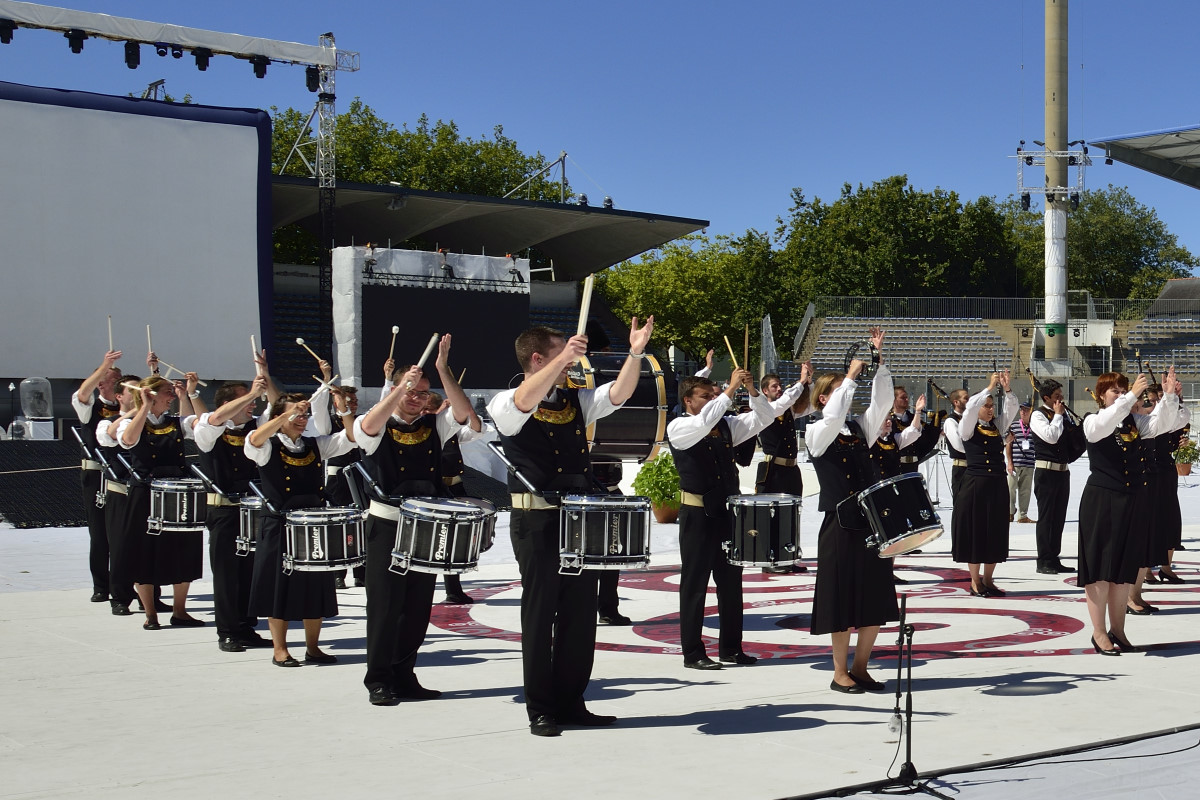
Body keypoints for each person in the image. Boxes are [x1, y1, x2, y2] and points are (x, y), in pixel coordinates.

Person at [487, 318, 652, 737]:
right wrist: (565, 354)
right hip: (537, 521)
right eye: (562, 354)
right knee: (541, 616)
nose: (572, 361)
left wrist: (634, 353)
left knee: (580, 617)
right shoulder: (506, 401)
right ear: (539, 357)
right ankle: (541, 708)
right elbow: (525, 401)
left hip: (579, 521)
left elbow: (620, 393)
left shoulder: (575, 401)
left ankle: (572, 701)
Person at [354, 336, 474, 706]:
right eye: (412, 391)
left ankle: (404, 676)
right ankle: (378, 679)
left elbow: (463, 411)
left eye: (423, 393)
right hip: (387, 526)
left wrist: (442, 370)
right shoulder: (373, 424)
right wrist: (396, 389)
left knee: (417, 608)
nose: (417, 397)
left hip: (425, 526)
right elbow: (370, 425)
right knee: (385, 607)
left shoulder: (433, 427)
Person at [805, 326, 897, 694]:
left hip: (870, 524)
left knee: (874, 597)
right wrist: (850, 379)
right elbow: (832, 417)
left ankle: (861, 667)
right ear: (824, 397)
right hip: (840, 525)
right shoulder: (816, 431)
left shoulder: (858, 428)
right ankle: (839, 670)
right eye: (837, 390)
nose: (845, 393)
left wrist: (878, 363)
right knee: (840, 599)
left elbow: (882, 404)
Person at [668, 366, 773, 671]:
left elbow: (762, 419)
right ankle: (693, 651)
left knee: (731, 583)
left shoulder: (725, 426)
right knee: (695, 584)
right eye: (705, 395)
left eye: (714, 394)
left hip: (726, 513)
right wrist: (728, 392)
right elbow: (704, 423)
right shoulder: (679, 426)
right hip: (697, 514)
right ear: (688, 400)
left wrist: (753, 392)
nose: (713, 399)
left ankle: (731, 647)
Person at [245, 385, 354, 666]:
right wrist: (284, 416)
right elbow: (254, 440)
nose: (301, 419)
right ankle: (280, 649)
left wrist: (342, 409)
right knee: (279, 585)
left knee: (314, 584)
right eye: (295, 414)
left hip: (312, 524)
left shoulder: (315, 444)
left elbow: (351, 438)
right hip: (280, 523)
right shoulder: (268, 444)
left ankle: (313, 647)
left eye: (303, 414)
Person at [1078, 369, 1179, 654]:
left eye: (1124, 390)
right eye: (1115, 391)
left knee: (1122, 569)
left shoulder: (1132, 422)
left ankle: (1118, 630)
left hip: (1129, 500)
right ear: (1100, 396)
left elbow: (1162, 424)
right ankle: (1099, 633)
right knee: (1099, 569)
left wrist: (1169, 396)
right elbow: (1104, 425)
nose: (1121, 395)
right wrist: (1132, 395)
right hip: (1101, 500)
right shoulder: (1094, 420)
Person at [193, 367, 276, 652]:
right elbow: (215, 419)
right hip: (225, 511)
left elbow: (278, 410)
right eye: (246, 401)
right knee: (227, 575)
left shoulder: (255, 427)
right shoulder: (207, 429)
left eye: (252, 401)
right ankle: (227, 631)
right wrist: (253, 391)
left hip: (253, 510)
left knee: (249, 573)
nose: (252, 405)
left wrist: (265, 378)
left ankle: (245, 626)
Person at [117, 370, 206, 629]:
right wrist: (142, 407)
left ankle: (180, 611)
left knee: (184, 550)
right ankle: (150, 613)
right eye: (168, 392)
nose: (171, 396)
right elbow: (128, 440)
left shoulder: (176, 422)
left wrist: (189, 393)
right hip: (145, 493)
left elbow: (203, 424)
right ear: (152, 395)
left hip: (176, 492)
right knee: (142, 552)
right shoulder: (131, 421)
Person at [951, 373, 1017, 598]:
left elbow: (1011, 409)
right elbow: (970, 410)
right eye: (986, 406)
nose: (990, 409)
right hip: (975, 485)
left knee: (995, 531)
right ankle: (975, 581)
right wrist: (988, 388)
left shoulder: (997, 426)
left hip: (997, 484)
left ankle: (989, 579)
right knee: (976, 532)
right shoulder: (967, 427)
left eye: (991, 406)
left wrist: (1007, 391)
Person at [71, 349, 123, 604]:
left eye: (113, 380)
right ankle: (101, 585)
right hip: (95, 472)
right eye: (104, 380)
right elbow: (81, 394)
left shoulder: (126, 407)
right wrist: (104, 366)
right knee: (99, 533)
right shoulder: (91, 406)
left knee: (121, 533)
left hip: (121, 472)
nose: (108, 384)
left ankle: (122, 583)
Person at [754, 365, 813, 575]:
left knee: (791, 513)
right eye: (774, 386)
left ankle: (787, 556)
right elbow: (786, 400)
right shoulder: (765, 410)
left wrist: (809, 383)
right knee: (771, 516)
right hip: (773, 469)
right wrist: (800, 381)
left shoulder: (786, 410)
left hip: (790, 469)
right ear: (764, 392)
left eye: (779, 385)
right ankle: (770, 559)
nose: (778, 388)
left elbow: (809, 407)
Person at [96, 373, 141, 616]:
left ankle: (149, 596)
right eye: (132, 391)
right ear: (119, 396)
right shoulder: (109, 421)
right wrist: (134, 413)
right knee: (121, 547)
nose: (136, 396)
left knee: (147, 545)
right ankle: (120, 597)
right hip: (120, 490)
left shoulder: (147, 421)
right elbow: (111, 436)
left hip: (143, 490)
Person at [1029, 379, 1082, 574]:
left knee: (1058, 517)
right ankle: (1043, 560)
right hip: (1046, 471)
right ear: (1046, 398)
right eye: (1057, 397)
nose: (1061, 400)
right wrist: (1059, 416)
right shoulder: (1038, 415)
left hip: (1062, 471)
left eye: (1061, 396)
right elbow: (1051, 436)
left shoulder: (1063, 415)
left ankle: (1054, 557)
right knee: (1047, 518)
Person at [324, 384, 365, 590]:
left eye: (356, 401)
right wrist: (325, 383)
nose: (354, 405)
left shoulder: (360, 422)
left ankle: (361, 573)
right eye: (349, 401)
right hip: (338, 478)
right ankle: (338, 574)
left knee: (362, 523)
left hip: (359, 476)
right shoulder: (329, 422)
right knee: (339, 526)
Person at [1005, 401, 1037, 524]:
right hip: (1015, 463)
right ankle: (1009, 512)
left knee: (1025, 490)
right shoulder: (1013, 426)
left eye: (1026, 410)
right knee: (1010, 489)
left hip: (1029, 464)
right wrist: (1009, 462)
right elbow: (1009, 444)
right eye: (1022, 410)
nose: (1024, 412)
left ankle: (1023, 515)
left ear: (1030, 412)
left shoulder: (1034, 427)